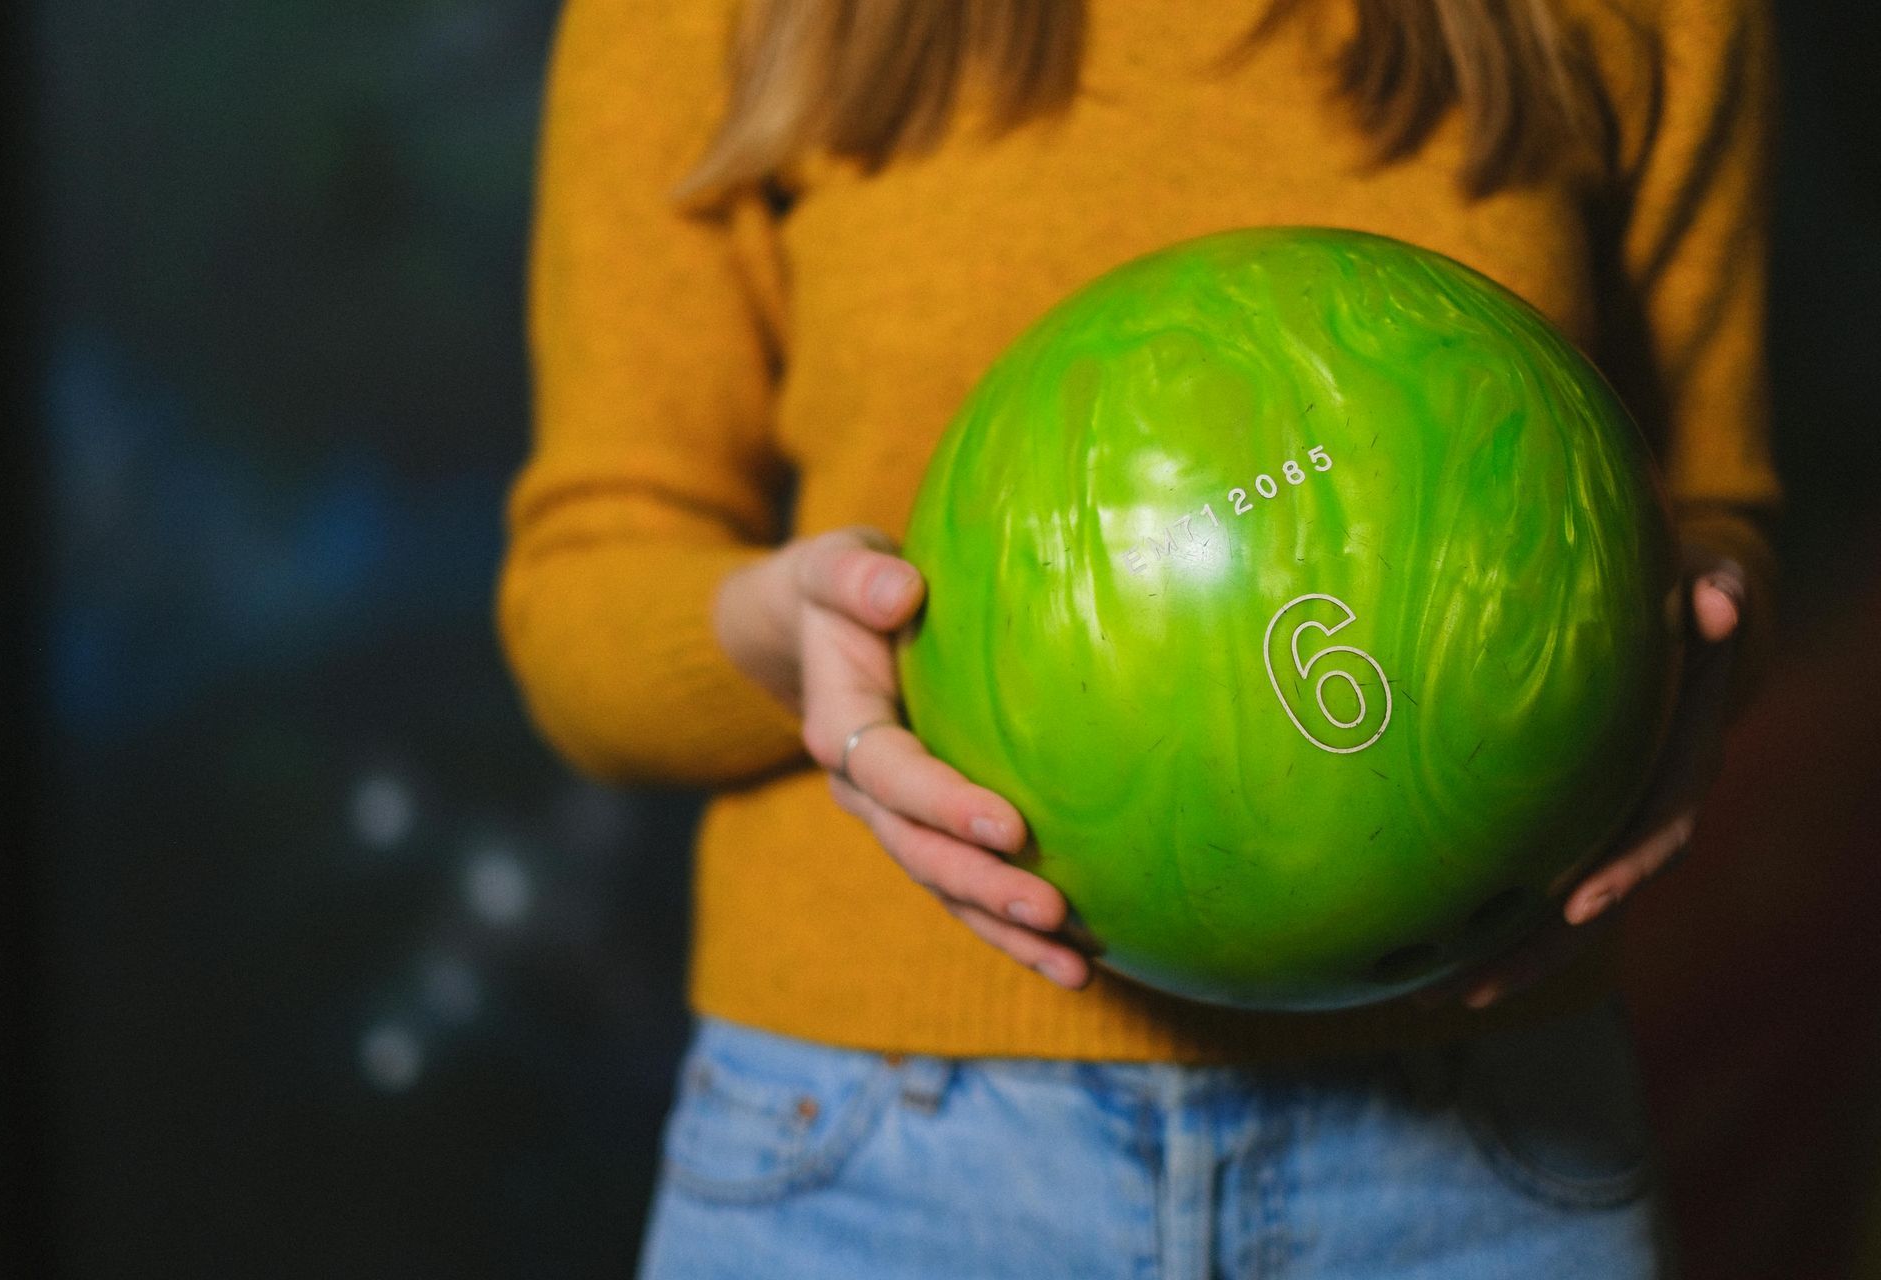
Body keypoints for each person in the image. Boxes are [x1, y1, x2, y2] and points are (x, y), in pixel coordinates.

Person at [498, 0, 1780, 1274]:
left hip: (1484, 1139)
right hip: (867, 1149)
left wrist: (1694, 655)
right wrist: (787, 635)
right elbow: (582, 603)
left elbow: (1709, 511)